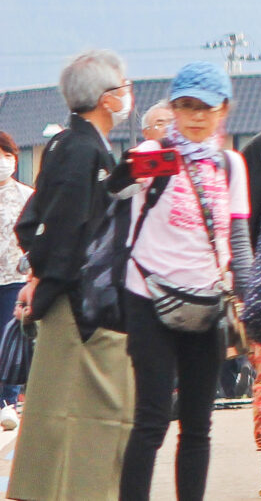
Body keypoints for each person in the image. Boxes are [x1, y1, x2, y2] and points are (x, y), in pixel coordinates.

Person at [117, 61, 253, 501]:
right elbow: (112, 192)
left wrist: (247, 298)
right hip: (148, 296)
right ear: (173, 109)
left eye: (206, 108)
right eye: (186, 106)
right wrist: (136, 166)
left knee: (198, 423)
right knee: (152, 419)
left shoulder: (230, 165)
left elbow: (238, 236)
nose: (196, 116)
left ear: (224, 111)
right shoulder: (153, 158)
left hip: (207, 302)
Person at [8, 48, 137, 501]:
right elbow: (60, 227)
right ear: (105, 97)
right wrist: (46, 274)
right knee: (88, 415)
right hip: (81, 304)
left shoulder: (76, 145)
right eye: (124, 89)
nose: (129, 96)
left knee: (66, 415)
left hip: (80, 296)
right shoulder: (80, 148)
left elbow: (44, 218)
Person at [0, 131, 28, 427]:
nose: (4, 162)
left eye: (8, 155)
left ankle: (8, 400)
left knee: (8, 341)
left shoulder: (26, 195)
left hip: (14, 278)